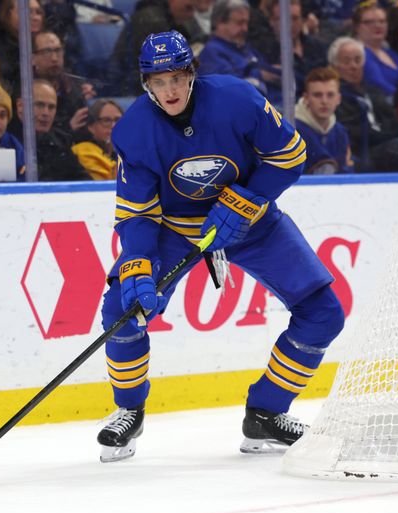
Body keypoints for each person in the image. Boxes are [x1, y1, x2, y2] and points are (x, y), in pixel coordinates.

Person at [96, 30, 344, 462]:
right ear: (145, 83)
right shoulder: (133, 130)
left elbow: (290, 155)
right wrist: (137, 261)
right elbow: (136, 213)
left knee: (324, 313)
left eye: (176, 77)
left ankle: (266, 412)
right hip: (175, 231)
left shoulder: (237, 99)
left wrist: (245, 200)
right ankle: (129, 409)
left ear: (191, 73)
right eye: (158, 81)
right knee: (122, 311)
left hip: (251, 222)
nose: (169, 90)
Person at [328, 36, 398, 172]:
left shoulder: (373, 92)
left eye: (357, 60)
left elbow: (392, 121)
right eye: (346, 61)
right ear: (334, 66)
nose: (353, 66)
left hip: (386, 144)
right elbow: (356, 134)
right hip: (361, 154)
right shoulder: (335, 96)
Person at [9, 79, 90, 181]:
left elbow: (83, 181)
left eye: (51, 107)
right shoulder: (7, 141)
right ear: (20, 106)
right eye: (39, 105)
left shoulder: (59, 141)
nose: (46, 113)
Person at [294, 67, 353, 174]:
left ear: (338, 99)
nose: (324, 101)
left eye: (330, 95)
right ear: (306, 98)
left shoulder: (340, 132)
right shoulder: (292, 129)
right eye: (317, 95)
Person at [352, 1, 398, 102]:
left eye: (382, 21)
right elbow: (379, 85)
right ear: (357, 27)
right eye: (369, 22)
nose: (377, 26)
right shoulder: (358, 53)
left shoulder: (390, 52)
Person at [71, 99, 123, 180]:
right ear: (91, 126)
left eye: (118, 120)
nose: (114, 126)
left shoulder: (118, 154)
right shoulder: (84, 151)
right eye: (106, 120)